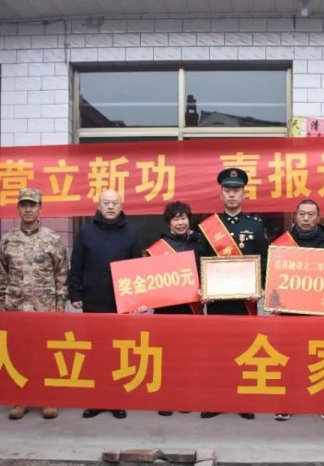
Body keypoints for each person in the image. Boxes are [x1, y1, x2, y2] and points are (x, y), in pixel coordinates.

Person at [199, 167, 268, 420]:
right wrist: (203, 288)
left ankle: (243, 401)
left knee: (245, 349)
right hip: (217, 300)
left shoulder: (255, 226)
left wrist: (261, 287)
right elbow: (200, 261)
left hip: (245, 302)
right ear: (221, 194)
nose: (231, 194)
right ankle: (215, 400)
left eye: (236, 190)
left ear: (243, 194)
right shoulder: (208, 226)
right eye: (227, 190)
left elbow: (264, 260)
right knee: (217, 351)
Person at [0, 188, 68, 421]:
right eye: (24, 205)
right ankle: (21, 398)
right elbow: (1, 274)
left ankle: (48, 397)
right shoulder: (7, 240)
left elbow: (62, 274)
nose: (28, 209)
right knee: (19, 354)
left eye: (32, 205)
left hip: (44, 307)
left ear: (40, 209)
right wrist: (1, 302)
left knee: (46, 353)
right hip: (16, 306)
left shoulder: (52, 239)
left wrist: (60, 304)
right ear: (18, 208)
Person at [69, 189, 141, 420]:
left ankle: (116, 399)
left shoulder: (130, 234)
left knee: (118, 352)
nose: (110, 207)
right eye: (106, 203)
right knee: (96, 352)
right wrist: (75, 293)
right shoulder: (86, 232)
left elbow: (137, 270)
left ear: (121, 206)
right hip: (93, 301)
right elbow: (76, 265)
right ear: (98, 206)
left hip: (121, 303)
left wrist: (137, 300)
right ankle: (96, 400)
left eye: (115, 203)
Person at [273, 199, 324, 423]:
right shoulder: (283, 243)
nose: (306, 218)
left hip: (320, 313)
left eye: (311, 214)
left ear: (318, 218)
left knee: (322, 356)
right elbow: (274, 277)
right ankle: (286, 403)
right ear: (295, 216)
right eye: (302, 214)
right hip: (290, 312)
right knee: (289, 357)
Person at [146, 200, 204, 417]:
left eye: (183, 218)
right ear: (169, 223)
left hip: (191, 308)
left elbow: (206, 272)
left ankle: (184, 396)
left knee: (187, 356)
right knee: (166, 356)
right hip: (166, 309)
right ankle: (166, 398)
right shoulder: (158, 248)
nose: (180, 223)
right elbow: (150, 279)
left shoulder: (199, 244)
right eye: (176, 219)